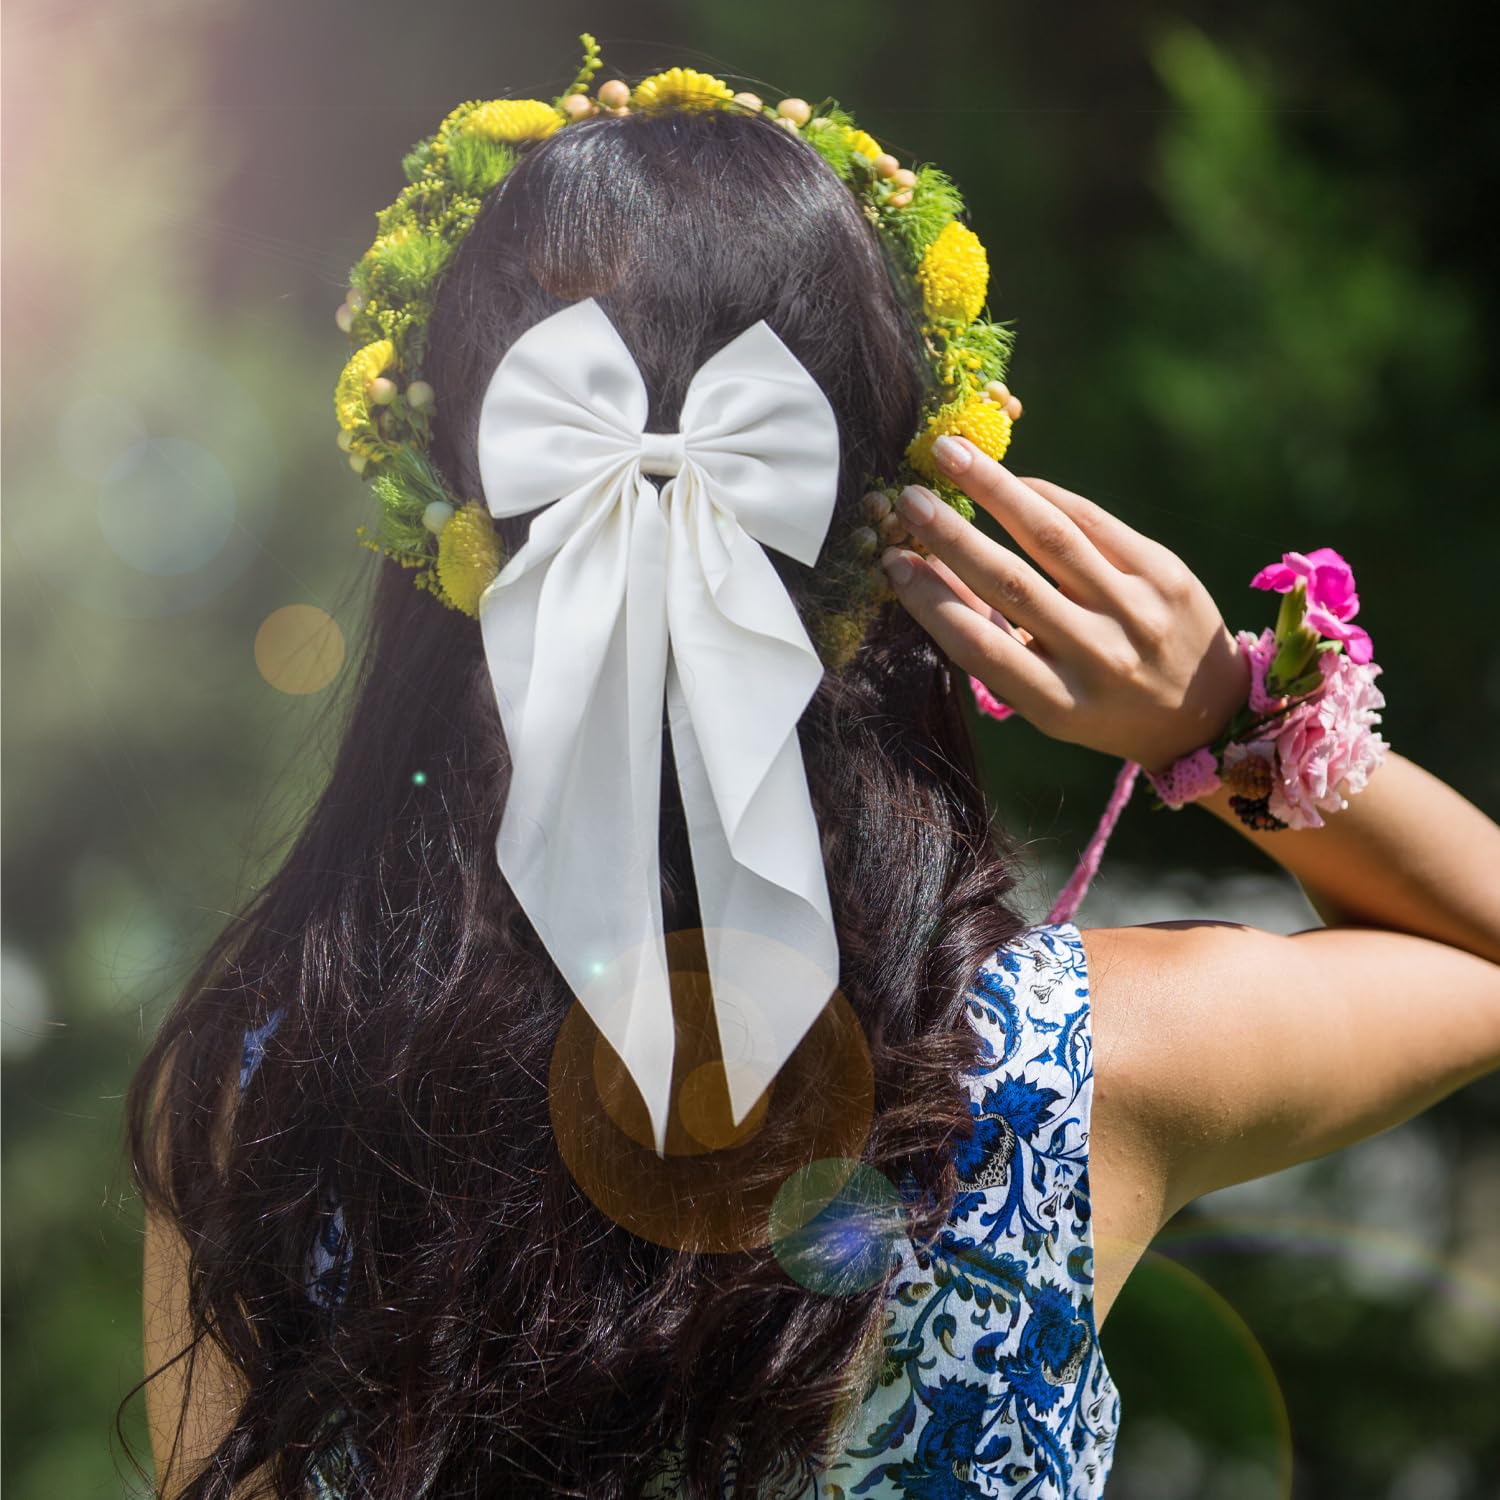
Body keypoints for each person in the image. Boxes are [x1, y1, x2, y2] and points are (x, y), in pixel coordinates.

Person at [124, 77, 1500, 1500]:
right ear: (873, 553)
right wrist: (1217, 721)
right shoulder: (1063, 1076)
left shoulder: (262, 1091)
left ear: (455, 519)